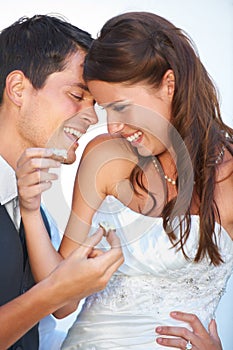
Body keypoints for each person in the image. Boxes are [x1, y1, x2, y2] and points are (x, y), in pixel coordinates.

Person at [16, 11, 233, 350]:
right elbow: (61, 303)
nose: (113, 126)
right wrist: (30, 211)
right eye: (106, 110)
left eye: (121, 107)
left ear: (169, 85)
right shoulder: (105, 157)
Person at [0, 14, 123, 350]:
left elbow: (42, 336)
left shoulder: (42, 221)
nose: (92, 116)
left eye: (96, 103)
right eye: (76, 94)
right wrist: (55, 291)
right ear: (18, 89)